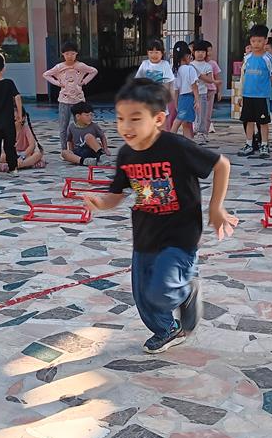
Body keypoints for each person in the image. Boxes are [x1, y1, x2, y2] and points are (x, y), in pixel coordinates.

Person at [83, 78, 237, 354]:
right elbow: (117, 194)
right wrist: (101, 203)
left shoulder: (176, 146)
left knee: (161, 290)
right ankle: (167, 329)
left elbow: (221, 164)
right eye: (120, 119)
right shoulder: (126, 154)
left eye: (135, 119)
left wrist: (216, 208)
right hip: (146, 235)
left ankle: (187, 292)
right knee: (143, 296)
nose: (126, 127)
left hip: (180, 234)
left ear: (158, 119)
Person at [43, 41, 99, 151]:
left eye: (72, 54)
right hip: (64, 101)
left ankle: (80, 148)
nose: (70, 56)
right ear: (63, 54)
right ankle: (64, 150)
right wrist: (58, 83)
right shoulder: (59, 67)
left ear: (76, 54)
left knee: (81, 125)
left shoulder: (80, 66)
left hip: (78, 101)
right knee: (63, 127)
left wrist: (84, 81)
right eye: (67, 54)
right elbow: (46, 74)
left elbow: (94, 71)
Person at [236, 25, 272, 159]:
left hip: (262, 96)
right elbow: (243, 76)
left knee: (263, 122)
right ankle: (249, 144)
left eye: (259, 41)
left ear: (265, 41)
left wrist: (267, 89)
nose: (256, 44)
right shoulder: (247, 58)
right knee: (248, 120)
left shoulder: (269, 58)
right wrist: (241, 94)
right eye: (253, 41)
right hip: (248, 95)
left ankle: (264, 144)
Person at [136, 39, 175, 129]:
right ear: (147, 53)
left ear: (162, 53)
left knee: (161, 125)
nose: (154, 55)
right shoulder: (145, 64)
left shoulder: (165, 64)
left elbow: (168, 83)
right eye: (151, 52)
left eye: (157, 52)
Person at [191, 40, 221, 144]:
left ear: (206, 53)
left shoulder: (207, 66)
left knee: (202, 114)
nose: (200, 54)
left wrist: (200, 75)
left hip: (202, 93)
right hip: (190, 94)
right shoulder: (190, 65)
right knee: (192, 114)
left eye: (202, 52)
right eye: (198, 51)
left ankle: (202, 133)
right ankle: (191, 133)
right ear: (193, 52)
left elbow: (210, 80)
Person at [62, 101, 109, 166]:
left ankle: (102, 156)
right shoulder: (71, 127)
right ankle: (86, 161)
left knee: (88, 136)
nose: (90, 117)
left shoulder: (94, 126)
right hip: (79, 152)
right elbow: (70, 140)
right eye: (87, 115)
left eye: (91, 115)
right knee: (64, 153)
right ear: (78, 116)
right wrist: (71, 151)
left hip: (92, 150)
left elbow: (102, 136)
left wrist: (105, 148)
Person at [170, 40, 201, 140]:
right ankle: (169, 140)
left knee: (186, 123)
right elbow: (194, 86)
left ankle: (188, 143)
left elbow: (176, 90)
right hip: (188, 98)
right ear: (187, 56)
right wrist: (197, 100)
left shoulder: (176, 71)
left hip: (181, 99)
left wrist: (176, 104)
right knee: (178, 121)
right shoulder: (190, 69)